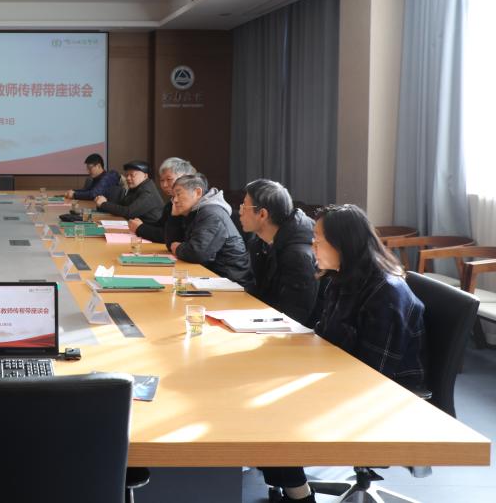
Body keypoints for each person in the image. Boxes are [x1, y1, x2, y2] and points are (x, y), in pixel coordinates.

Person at [260, 204, 427, 503]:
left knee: (271, 410)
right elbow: (327, 337)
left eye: (318, 239)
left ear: (343, 244)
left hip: (381, 395)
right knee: (263, 388)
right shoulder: (343, 277)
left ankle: (298, 495)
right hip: (344, 377)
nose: (312, 245)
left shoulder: (385, 293)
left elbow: (373, 375)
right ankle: (291, 488)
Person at [238, 179, 319, 326]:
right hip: (265, 322)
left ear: (262, 214)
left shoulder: (298, 256)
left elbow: (294, 317)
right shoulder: (261, 242)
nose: (240, 211)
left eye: (244, 206)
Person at [165, 173, 251, 285]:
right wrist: (174, 217)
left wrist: (177, 248)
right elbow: (171, 244)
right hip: (210, 275)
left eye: (178, 194)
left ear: (197, 192)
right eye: (173, 196)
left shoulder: (211, 213)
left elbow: (197, 253)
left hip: (229, 280)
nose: (175, 200)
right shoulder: (194, 211)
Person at [129, 157, 194, 243]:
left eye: (169, 179)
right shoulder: (170, 204)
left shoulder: (187, 203)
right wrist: (141, 224)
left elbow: (170, 236)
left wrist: (140, 228)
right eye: (162, 180)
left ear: (184, 178)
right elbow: (160, 226)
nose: (164, 185)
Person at [93, 160, 162, 223]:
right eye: (127, 175)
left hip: (149, 229)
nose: (128, 178)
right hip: (136, 226)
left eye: (132, 175)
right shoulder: (136, 187)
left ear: (145, 176)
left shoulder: (148, 192)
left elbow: (129, 212)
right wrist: (101, 204)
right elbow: (122, 206)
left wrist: (103, 204)